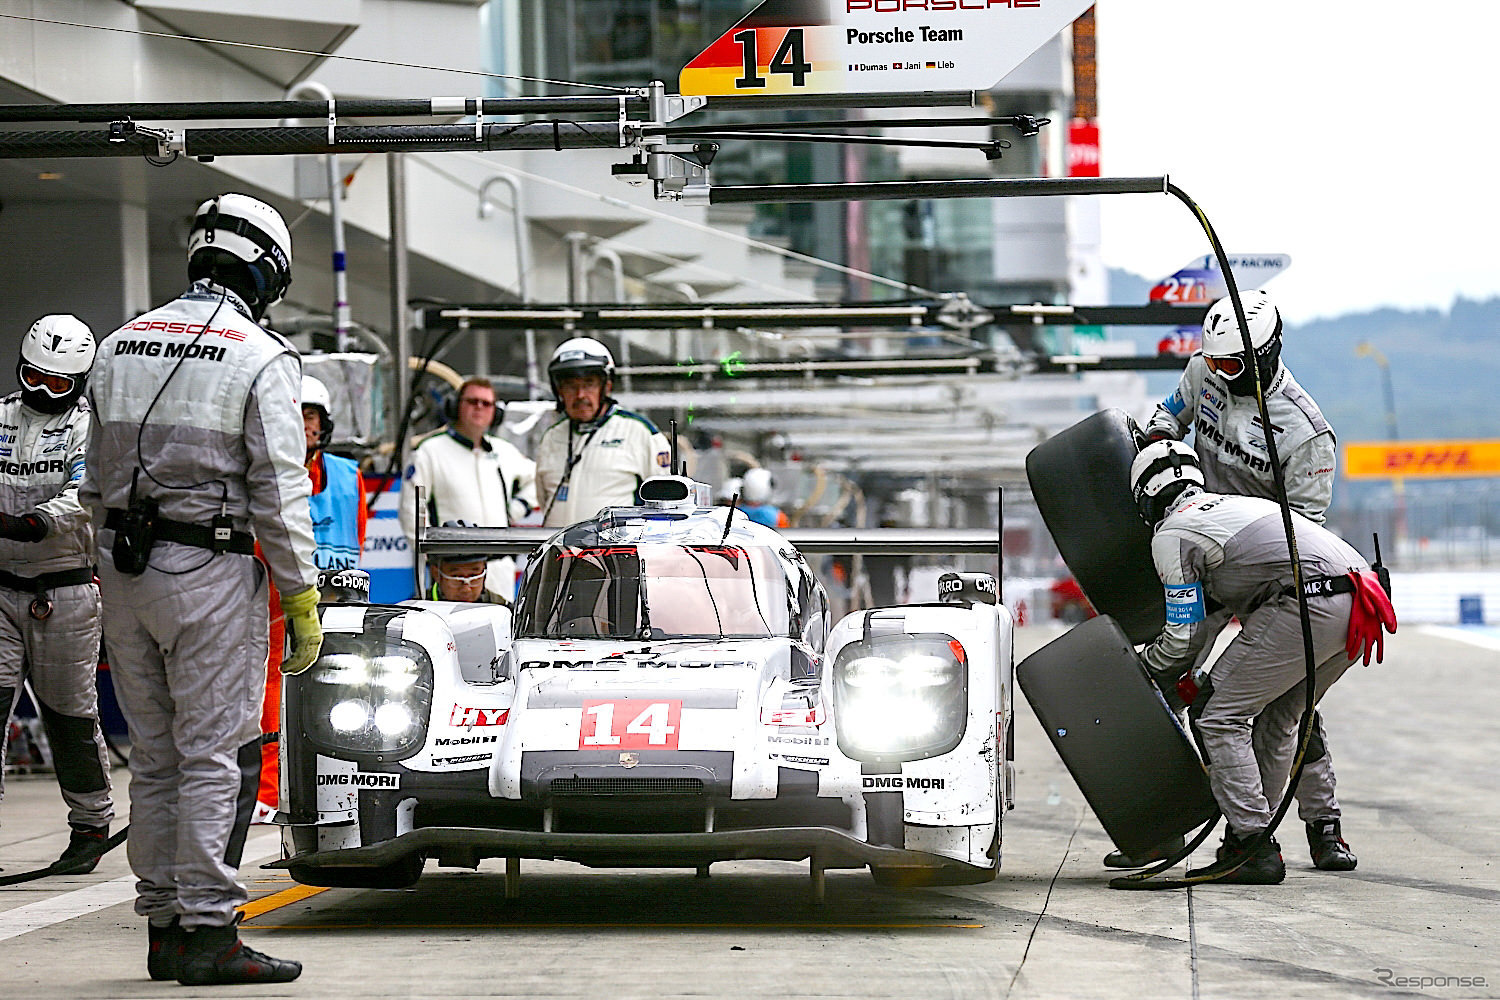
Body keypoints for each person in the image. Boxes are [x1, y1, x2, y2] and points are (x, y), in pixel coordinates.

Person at [80, 192, 319, 985]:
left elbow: (88, 480)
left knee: (153, 757)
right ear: (266, 272)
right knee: (214, 756)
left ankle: (163, 929)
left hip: (121, 572)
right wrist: (301, 596)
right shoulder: (260, 357)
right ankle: (212, 934)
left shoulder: (117, 345)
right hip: (210, 575)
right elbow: (280, 493)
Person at [1112, 289, 1350, 871]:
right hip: (1201, 552)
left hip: (1271, 573)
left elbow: (1304, 539)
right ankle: (1165, 830)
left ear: (1268, 355)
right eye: (1215, 363)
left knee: (1280, 707)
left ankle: (1323, 824)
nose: (1221, 374)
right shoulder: (1204, 372)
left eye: (1234, 366)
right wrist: (1158, 443)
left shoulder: (1306, 434)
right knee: (1164, 690)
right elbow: (1165, 419)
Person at [1127, 440, 1394, 884]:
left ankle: (1252, 843)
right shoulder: (1235, 507)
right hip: (1364, 598)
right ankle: (1257, 839)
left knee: (1216, 714)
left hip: (1309, 603)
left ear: (1145, 497)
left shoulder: (1172, 534)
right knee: (1279, 719)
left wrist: (1143, 672)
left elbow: (1183, 636)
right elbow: (1204, 628)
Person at [0, 315, 114, 873]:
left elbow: (84, 494)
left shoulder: (89, 428)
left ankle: (90, 823)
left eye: (59, 384)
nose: (44, 391)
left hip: (65, 589)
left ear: (80, 383)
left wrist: (32, 524)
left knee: (68, 714)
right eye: (34, 378)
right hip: (0, 589)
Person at [254, 374, 368, 822]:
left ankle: (341, 792)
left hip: (337, 610)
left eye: (309, 416)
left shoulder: (347, 476)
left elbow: (355, 543)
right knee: (271, 703)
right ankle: (267, 794)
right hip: (273, 616)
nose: (302, 426)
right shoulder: (261, 476)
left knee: (344, 699)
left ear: (323, 424)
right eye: (293, 416)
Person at [399, 376, 535, 598]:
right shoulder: (430, 451)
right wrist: (434, 562)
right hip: (454, 575)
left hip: (499, 571)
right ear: (455, 407)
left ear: (495, 412)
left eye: (486, 403)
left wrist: (515, 510)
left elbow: (537, 480)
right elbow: (411, 514)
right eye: (472, 401)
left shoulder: (505, 452)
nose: (479, 408)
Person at [536, 337, 670, 528]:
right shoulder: (551, 438)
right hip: (560, 554)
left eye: (589, 383)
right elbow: (544, 499)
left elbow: (666, 507)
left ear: (606, 386)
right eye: (570, 386)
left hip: (617, 555)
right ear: (559, 391)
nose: (580, 394)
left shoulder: (639, 432)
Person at [425, 522, 508, 604]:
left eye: (474, 576)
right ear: (436, 573)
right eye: (457, 578)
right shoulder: (417, 610)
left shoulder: (501, 608)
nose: (466, 589)